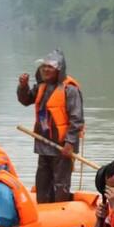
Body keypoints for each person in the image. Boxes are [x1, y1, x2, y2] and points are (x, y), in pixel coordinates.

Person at [17, 49, 84, 203]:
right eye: (44, 66)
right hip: (44, 143)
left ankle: (61, 210)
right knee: (42, 181)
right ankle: (44, 211)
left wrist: (70, 143)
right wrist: (23, 87)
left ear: (59, 70)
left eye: (50, 67)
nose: (46, 70)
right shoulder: (41, 86)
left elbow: (77, 119)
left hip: (62, 146)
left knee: (61, 183)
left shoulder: (70, 89)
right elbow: (25, 100)